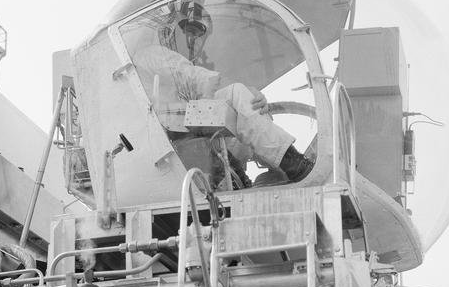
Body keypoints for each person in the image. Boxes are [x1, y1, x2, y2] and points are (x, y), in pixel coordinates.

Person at [134, 43, 315, 184]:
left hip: (174, 130)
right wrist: (245, 90)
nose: (193, 42)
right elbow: (198, 77)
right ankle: (292, 164)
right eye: (189, 32)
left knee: (242, 115)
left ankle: (259, 170)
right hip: (169, 129)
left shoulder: (154, 75)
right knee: (237, 94)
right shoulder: (149, 54)